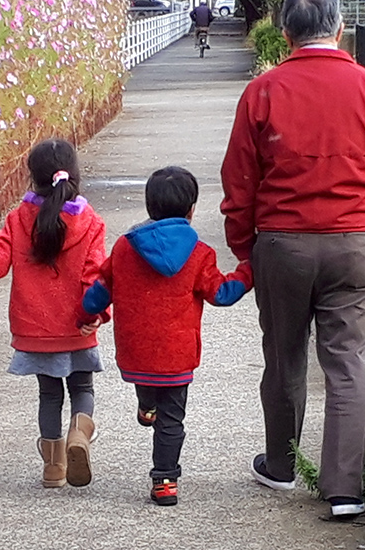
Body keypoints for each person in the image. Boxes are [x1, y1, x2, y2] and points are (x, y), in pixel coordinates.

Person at [220, 0, 365, 517]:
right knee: (348, 362)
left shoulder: (263, 92)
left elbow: (239, 182)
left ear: (285, 33)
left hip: (282, 244)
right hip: (353, 241)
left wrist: (247, 249)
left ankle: (281, 468)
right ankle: (345, 489)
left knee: (284, 356)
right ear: (340, 28)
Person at [79, 166, 253, 506]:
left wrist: (87, 315)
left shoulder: (125, 249)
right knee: (172, 420)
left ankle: (146, 405)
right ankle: (165, 482)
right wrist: (249, 270)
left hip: (136, 352)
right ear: (191, 209)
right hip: (177, 355)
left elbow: (100, 291)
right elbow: (222, 294)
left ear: (149, 207)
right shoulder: (200, 254)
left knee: (148, 388)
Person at [0, 139, 108, 489]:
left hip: (35, 328)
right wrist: (96, 313)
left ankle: (53, 468)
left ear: (33, 178)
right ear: (73, 174)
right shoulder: (89, 222)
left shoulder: (18, 218)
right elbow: (96, 275)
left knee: (49, 394)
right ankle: (79, 435)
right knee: (82, 386)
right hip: (77, 325)